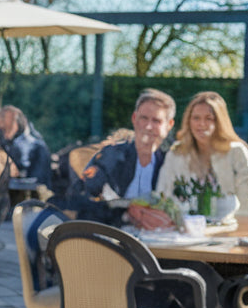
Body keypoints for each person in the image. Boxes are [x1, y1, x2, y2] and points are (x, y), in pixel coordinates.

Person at [62, 88, 177, 230]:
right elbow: (78, 199)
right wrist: (124, 214)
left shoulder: (174, 160)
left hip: (163, 238)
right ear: (134, 119)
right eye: (144, 118)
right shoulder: (110, 155)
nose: (148, 126)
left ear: (169, 125)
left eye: (156, 121)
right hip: (113, 234)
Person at [154, 90, 248, 221]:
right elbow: (162, 196)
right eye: (196, 118)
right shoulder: (176, 153)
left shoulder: (236, 152)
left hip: (227, 230)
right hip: (183, 230)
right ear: (189, 121)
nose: (201, 124)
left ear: (219, 122)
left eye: (209, 118)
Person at [0, 105, 52, 196]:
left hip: (32, 193)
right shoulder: (6, 143)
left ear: (16, 123)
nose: (3, 127)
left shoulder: (32, 145)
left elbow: (22, 168)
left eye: (6, 121)